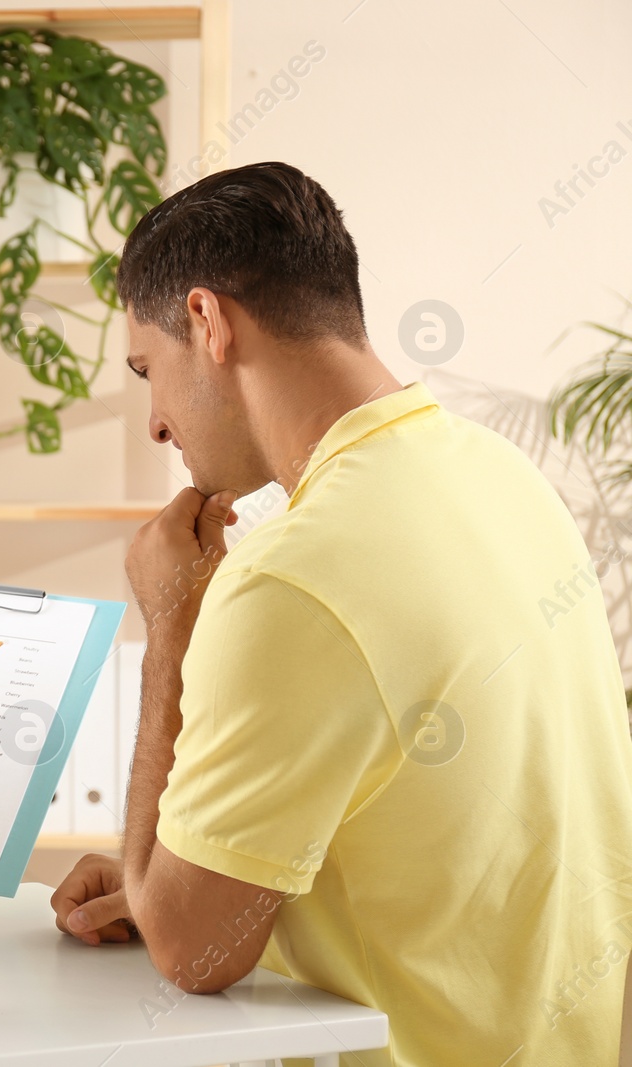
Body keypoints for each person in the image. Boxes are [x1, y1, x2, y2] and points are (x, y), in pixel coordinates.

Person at [48, 161, 632, 1065]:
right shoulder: (504, 476)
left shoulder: (288, 578)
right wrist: (178, 871)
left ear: (207, 322)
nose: (156, 423)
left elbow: (191, 952)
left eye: (146, 370)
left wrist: (173, 622)